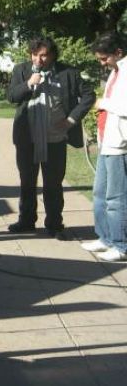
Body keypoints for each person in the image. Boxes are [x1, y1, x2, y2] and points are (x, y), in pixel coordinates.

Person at [7, 36, 95, 240]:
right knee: (27, 181)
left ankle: (55, 224)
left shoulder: (69, 73)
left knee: (53, 183)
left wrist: (71, 120)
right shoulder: (22, 70)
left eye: (43, 55)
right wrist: (29, 83)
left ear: (53, 55)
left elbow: (89, 95)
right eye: (35, 55)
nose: (38, 59)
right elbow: (11, 96)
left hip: (55, 137)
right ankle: (26, 221)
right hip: (27, 136)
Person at [81, 33, 127, 261]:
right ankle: (105, 238)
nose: (101, 63)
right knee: (99, 194)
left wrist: (103, 103)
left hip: (119, 145)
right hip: (105, 141)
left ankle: (120, 245)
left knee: (116, 198)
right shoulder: (115, 72)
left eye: (104, 58)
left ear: (118, 52)